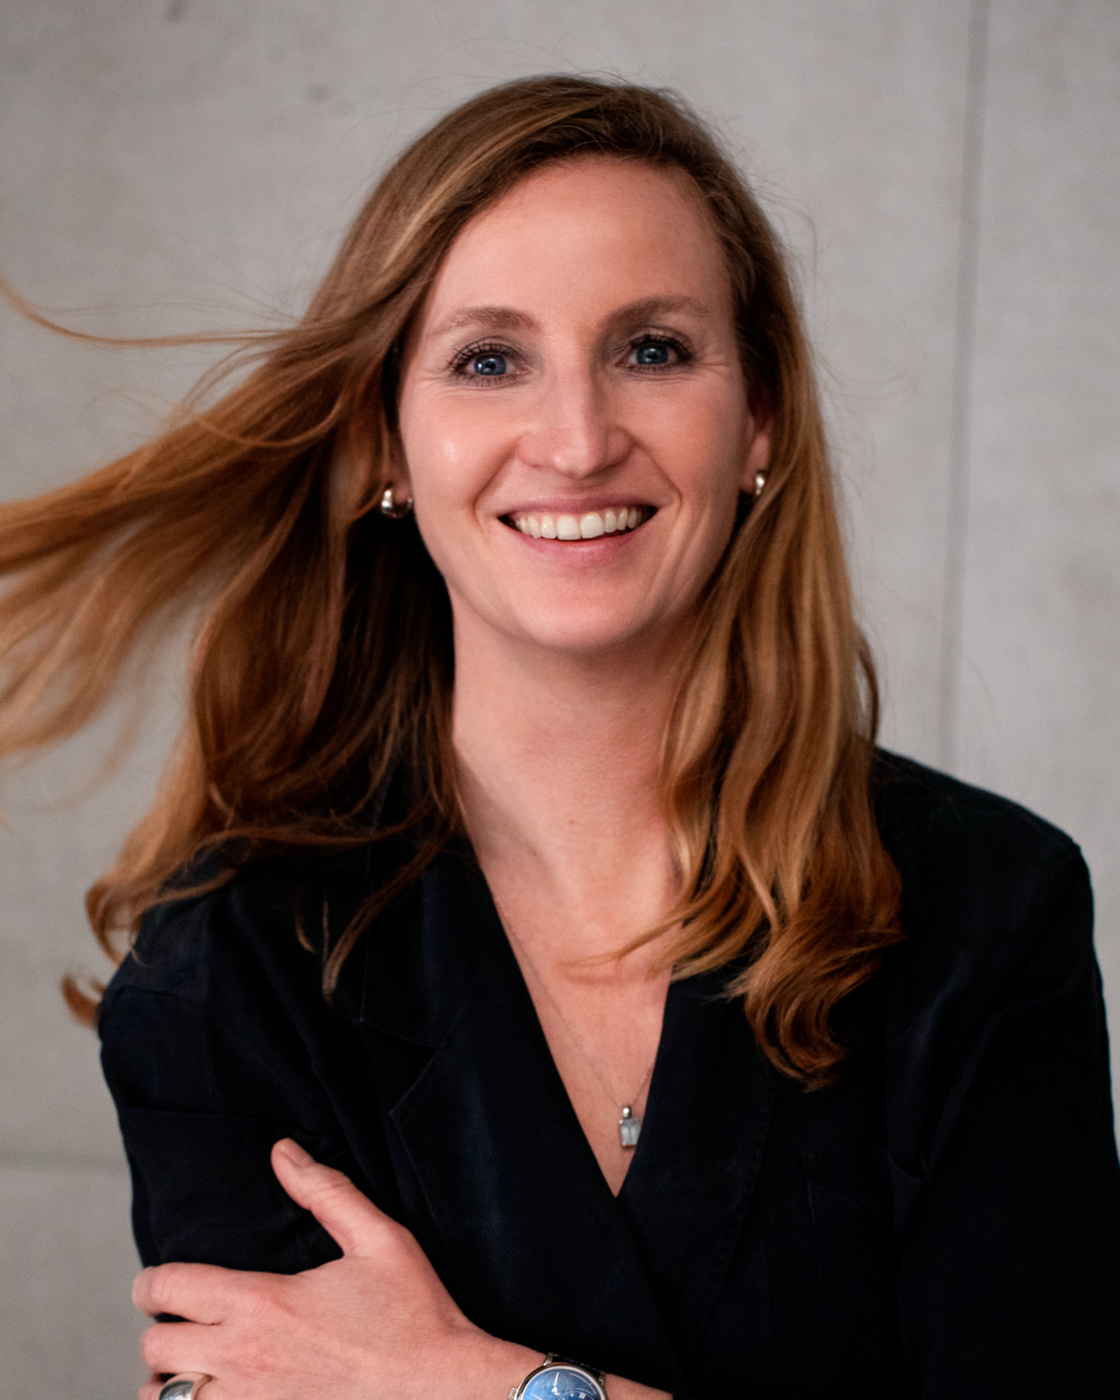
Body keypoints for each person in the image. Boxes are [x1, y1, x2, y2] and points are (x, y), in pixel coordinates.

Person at [1, 75, 1118, 1400]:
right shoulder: (229, 967)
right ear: (384, 442)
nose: (579, 442)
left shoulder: (991, 911)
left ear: (758, 419)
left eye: (652, 350)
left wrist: (483, 1387)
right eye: (489, 361)